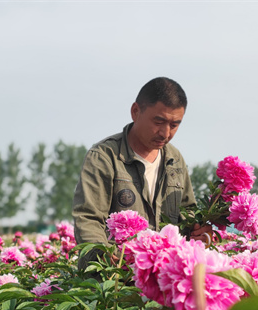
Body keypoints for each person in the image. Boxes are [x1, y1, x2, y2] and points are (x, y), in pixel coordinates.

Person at [72, 77, 212, 270]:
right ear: (135, 112)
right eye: (159, 121)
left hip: (162, 276)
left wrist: (200, 233)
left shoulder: (174, 159)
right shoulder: (105, 156)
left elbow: (187, 214)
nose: (165, 133)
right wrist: (106, 259)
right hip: (115, 277)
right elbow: (88, 218)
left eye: (174, 125)